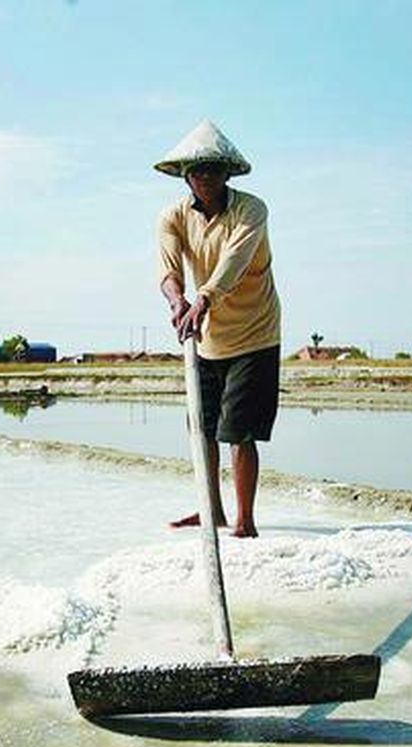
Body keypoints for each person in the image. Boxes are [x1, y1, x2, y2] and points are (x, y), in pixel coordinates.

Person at [154, 120, 281, 539]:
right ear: (186, 177)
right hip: (206, 338)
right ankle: (212, 510)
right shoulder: (172, 217)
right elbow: (169, 269)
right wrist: (178, 302)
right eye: (196, 171)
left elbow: (234, 262)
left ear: (227, 173)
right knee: (203, 428)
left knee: (238, 432)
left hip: (253, 333)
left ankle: (245, 520)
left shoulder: (251, 209)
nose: (204, 178)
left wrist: (203, 299)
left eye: (212, 169)